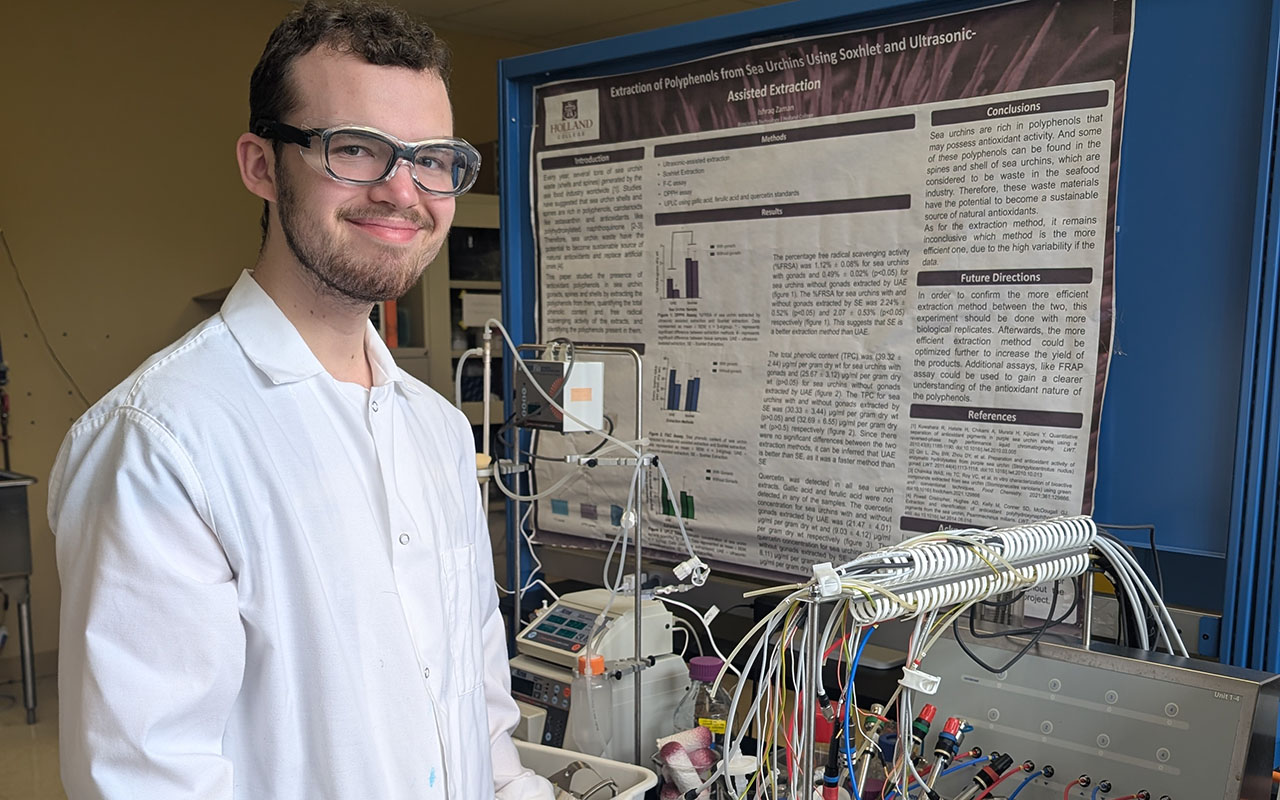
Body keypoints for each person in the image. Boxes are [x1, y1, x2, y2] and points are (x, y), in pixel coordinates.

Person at [48, 3, 552, 798]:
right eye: (354, 149)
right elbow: (147, 781)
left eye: (430, 160)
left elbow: (479, 718)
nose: (402, 191)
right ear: (260, 164)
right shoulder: (162, 443)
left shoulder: (440, 431)